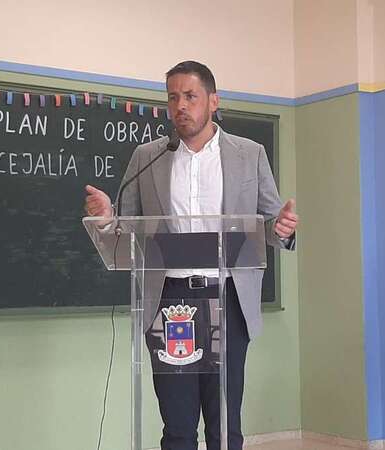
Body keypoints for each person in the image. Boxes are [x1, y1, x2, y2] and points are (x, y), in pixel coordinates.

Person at [83, 60, 298, 450]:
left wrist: (281, 229)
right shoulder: (147, 157)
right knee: (178, 425)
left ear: (213, 101)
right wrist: (108, 219)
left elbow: (268, 221)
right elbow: (129, 229)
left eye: (190, 96)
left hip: (227, 299)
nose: (180, 105)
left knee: (224, 425)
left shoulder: (249, 154)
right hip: (169, 299)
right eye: (172, 97)